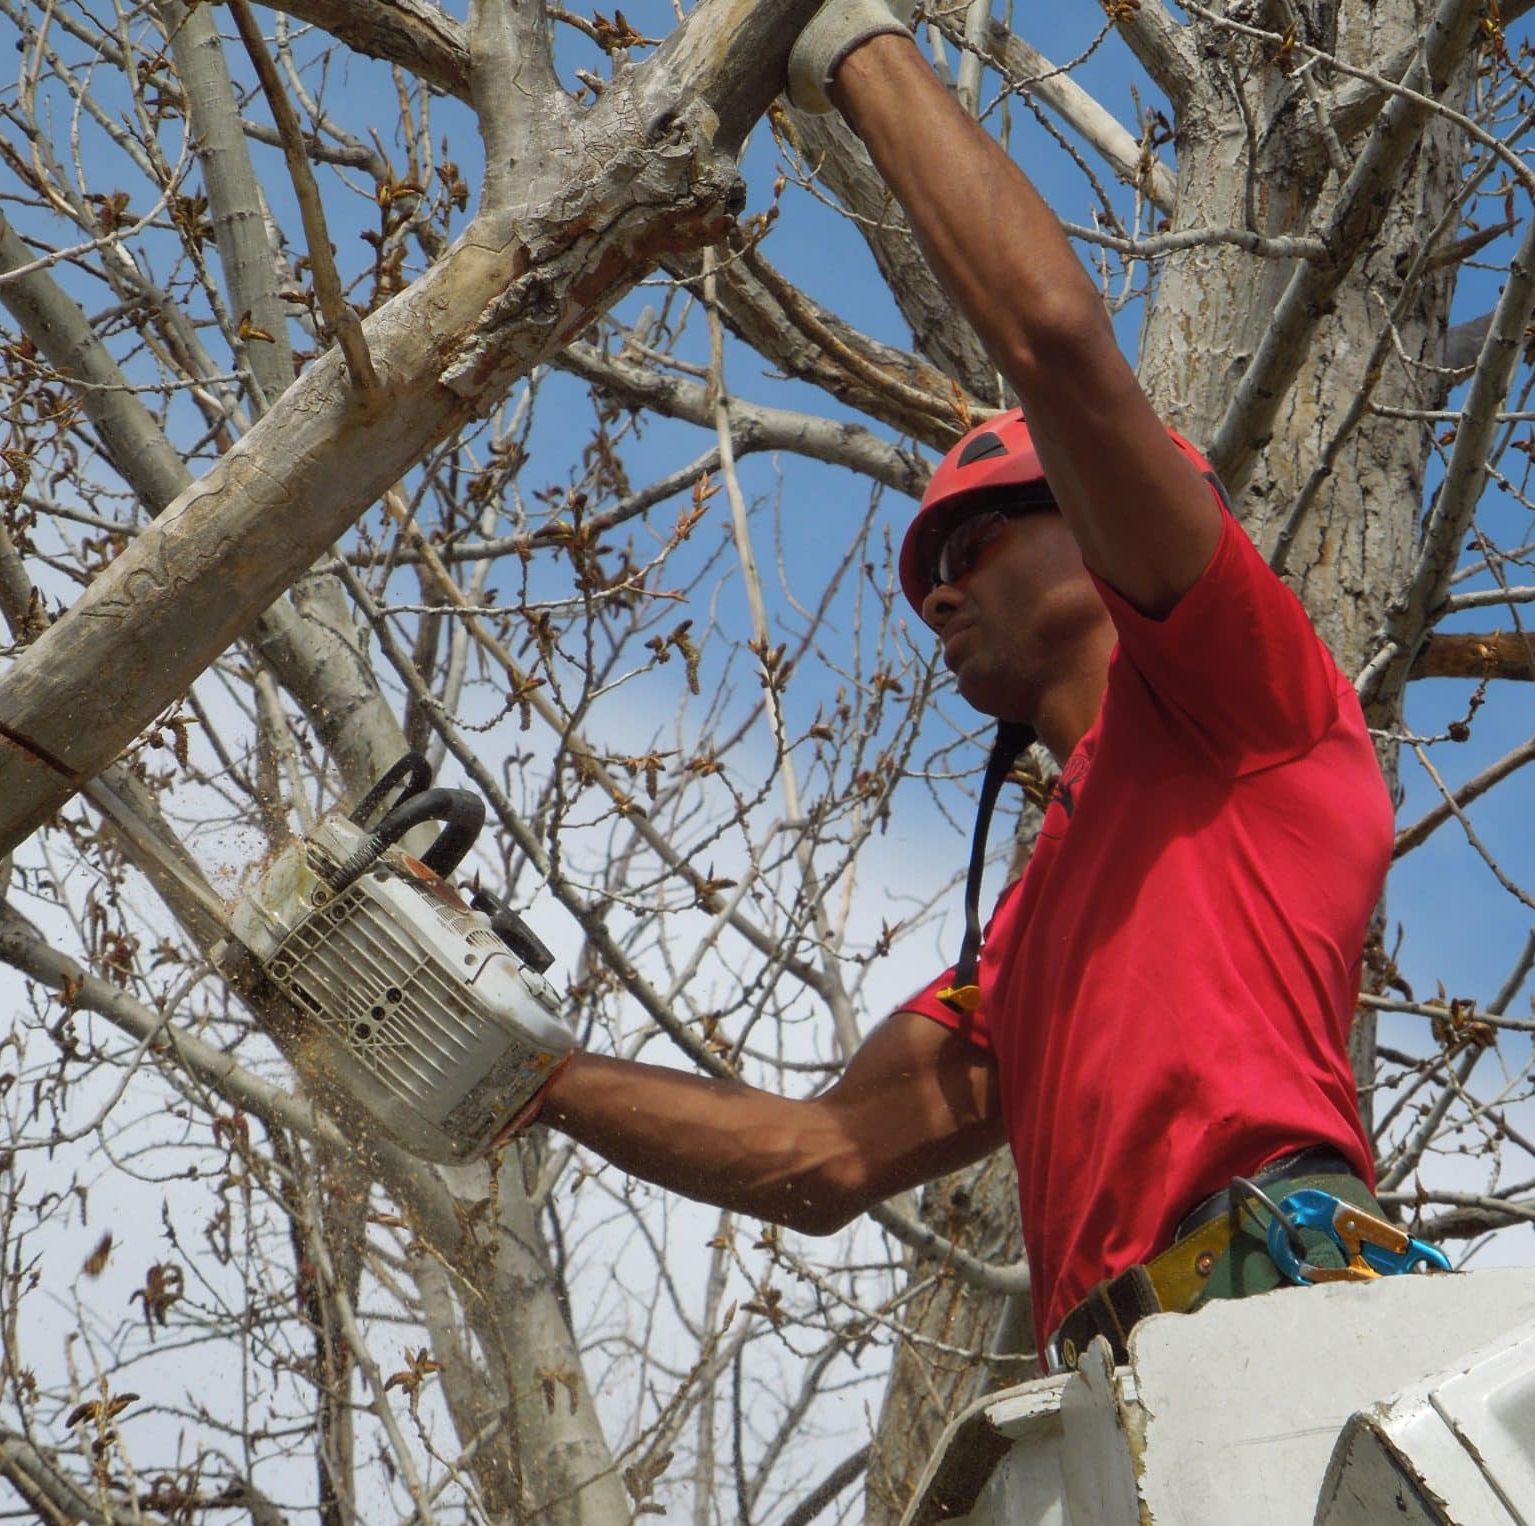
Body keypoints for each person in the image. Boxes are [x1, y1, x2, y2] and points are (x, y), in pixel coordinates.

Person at [535, 0, 1398, 1368]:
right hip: (1122, 1383)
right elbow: (820, 1156)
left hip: (1284, 1305)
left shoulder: (1248, 709)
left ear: (1100, 513)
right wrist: (529, 1077)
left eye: (974, 538)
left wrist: (845, 41)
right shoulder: (1039, 929)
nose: (934, 586)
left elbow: (1054, 338)